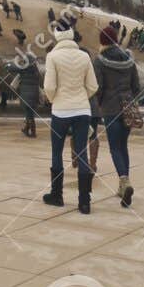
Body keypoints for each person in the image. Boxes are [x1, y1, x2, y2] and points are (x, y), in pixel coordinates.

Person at [41, 27, 97, 213]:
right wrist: (82, 98)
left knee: (57, 152)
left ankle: (56, 195)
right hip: (82, 110)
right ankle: (84, 201)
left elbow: (49, 86)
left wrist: (53, 99)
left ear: (57, 38)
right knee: (82, 153)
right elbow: (93, 86)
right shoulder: (84, 56)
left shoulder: (52, 57)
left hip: (61, 111)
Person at [94, 27, 141, 205]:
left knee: (115, 147)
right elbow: (136, 86)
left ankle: (124, 181)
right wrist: (129, 98)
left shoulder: (99, 61)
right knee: (123, 146)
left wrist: (100, 103)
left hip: (110, 108)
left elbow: (98, 87)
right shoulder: (129, 59)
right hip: (127, 107)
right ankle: (124, 184)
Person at [14, 53, 43, 137]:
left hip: (25, 94)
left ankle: (33, 132)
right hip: (34, 94)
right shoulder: (36, 70)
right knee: (30, 112)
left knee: (28, 113)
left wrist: (18, 61)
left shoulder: (23, 69)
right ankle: (26, 129)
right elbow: (40, 81)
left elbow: (11, 68)